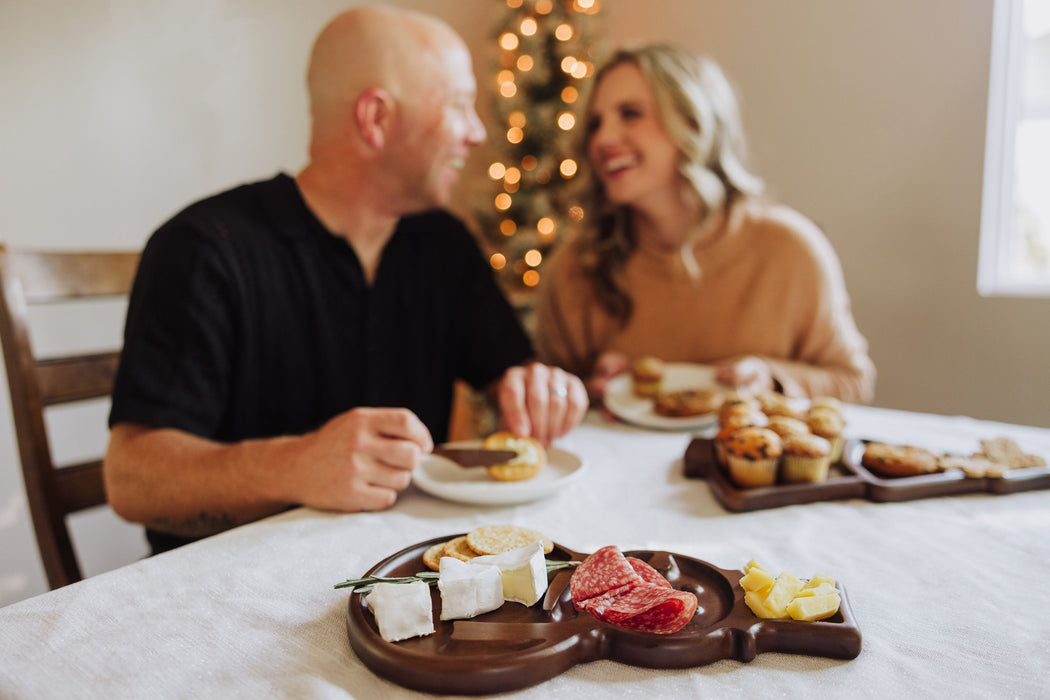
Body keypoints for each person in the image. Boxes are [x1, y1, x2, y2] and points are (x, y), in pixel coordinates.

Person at [103, 6, 588, 555]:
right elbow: (131, 479)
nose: (477, 132)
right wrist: (297, 466)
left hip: (397, 574)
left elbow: (508, 373)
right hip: (223, 588)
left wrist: (531, 386)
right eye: (458, 105)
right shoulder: (204, 248)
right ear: (376, 118)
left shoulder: (443, 245)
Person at [535, 45, 875, 403]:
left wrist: (770, 380)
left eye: (631, 114)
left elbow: (852, 383)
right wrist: (591, 392)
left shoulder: (790, 250)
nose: (602, 140)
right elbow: (548, 407)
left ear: (694, 122)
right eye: (594, 124)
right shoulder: (576, 269)